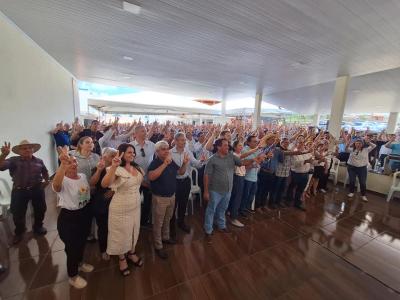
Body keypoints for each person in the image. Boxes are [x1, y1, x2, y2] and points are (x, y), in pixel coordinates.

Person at [52, 147, 93, 289]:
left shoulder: (82, 176)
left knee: (82, 242)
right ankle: (73, 276)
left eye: (74, 161)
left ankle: (80, 263)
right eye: (70, 162)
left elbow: (86, 193)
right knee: (72, 248)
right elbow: (56, 186)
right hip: (69, 218)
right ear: (63, 165)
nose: (74, 164)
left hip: (84, 214)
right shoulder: (62, 179)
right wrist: (63, 166)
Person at [101, 144, 144, 276]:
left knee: (133, 230)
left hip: (135, 206)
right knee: (121, 233)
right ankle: (122, 258)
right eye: (129, 152)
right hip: (120, 207)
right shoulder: (116, 169)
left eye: (133, 152)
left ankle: (131, 253)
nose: (132, 154)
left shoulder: (137, 167)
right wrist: (113, 167)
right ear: (122, 153)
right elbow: (105, 184)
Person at [0, 141, 49, 244]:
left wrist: (46, 180)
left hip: (37, 189)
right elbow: (1, 166)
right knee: (17, 213)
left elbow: (44, 171)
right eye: (24, 148)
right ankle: (19, 232)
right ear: (19, 151)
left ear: (33, 149)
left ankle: (38, 227)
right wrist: (3, 155)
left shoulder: (39, 161)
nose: (27, 150)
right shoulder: (13, 160)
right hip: (19, 190)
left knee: (41, 209)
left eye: (29, 148)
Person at [148, 141, 189, 259]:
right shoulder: (154, 163)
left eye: (167, 148)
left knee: (168, 219)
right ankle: (158, 245)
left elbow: (180, 172)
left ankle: (165, 238)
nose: (166, 151)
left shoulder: (170, 161)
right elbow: (151, 177)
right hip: (160, 198)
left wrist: (185, 163)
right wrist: (165, 164)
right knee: (158, 223)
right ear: (157, 152)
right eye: (163, 149)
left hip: (172, 196)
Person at [203, 139, 243, 243]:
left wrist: (254, 160)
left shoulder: (230, 156)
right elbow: (207, 175)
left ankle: (221, 225)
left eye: (228, 145)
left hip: (227, 189)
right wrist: (206, 191)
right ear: (219, 147)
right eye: (225, 145)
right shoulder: (212, 159)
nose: (228, 147)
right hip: (215, 190)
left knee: (222, 209)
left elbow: (241, 163)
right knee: (211, 210)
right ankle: (208, 230)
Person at [170, 132, 204, 237]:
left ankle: (181, 222)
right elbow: (176, 171)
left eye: (185, 140)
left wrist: (201, 161)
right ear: (175, 141)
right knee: (173, 206)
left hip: (186, 181)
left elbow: (195, 163)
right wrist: (184, 163)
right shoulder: (170, 153)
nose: (184, 142)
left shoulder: (187, 151)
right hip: (174, 182)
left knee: (183, 203)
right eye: (181, 140)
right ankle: (171, 227)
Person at [89, 147, 117, 260]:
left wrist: (113, 190)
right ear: (105, 157)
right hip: (101, 201)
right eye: (112, 156)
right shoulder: (98, 168)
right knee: (103, 227)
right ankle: (103, 249)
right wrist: (99, 170)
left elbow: (119, 183)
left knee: (113, 226)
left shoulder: (116, 168)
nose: (115, 158)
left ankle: (113, 246)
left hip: (114, 201)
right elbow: (92, 183)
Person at [130, 125, 156, 227]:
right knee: (134, 202)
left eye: (145, 131)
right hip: (135, 180)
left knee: (147, 202)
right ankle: (133, 222)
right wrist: (139, 179)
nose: (145, 133)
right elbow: (129, 164)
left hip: (148, 179)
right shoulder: (130, 146)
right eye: (142, 131)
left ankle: (144, 222)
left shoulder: (152, 145)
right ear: (135, 134)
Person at [346, 137, 376, 201]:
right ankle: (351, 192)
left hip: (362, 168)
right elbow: (346, 149)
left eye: (360, 143)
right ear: (355, 144)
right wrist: (348, 144)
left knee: (362, 182)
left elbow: (374, 146)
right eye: (357, 143)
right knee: (352, 181)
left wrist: (368, 142)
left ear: (362, 144)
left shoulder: (366, 150)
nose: (358, 144)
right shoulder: (352, 150)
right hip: (352, 167)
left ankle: (363, 195)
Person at [254, 134, 277, 213]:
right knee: (260, 190)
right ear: (267, 140)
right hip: (263, 172)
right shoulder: (263, 148)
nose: (273, 141)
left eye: (274, 140)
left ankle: (264, 205)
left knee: (266, 190)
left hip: (270, 172)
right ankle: (258, 206)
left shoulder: (272, 148)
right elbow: (261, 161)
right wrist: (267, 156)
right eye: (272, 139)